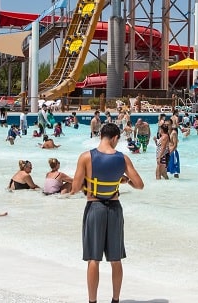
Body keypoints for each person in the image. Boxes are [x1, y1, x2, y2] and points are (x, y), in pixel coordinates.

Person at [70, 123, 144, 303]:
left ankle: (92, 301)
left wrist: (88, 185)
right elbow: (140, 185)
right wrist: (124, 181)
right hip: (114, 208)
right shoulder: (123, 159)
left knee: (93, 259)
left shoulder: (86, 157)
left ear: (101, 135)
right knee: (116, 259)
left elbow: (74, 188)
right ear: (115, 138)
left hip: (94, 208)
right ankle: (115, 300)